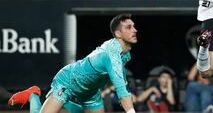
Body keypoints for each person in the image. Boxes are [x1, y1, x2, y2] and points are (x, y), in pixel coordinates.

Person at [9, 14, 138, 113]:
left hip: (91, 92)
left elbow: (121, 78)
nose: (135, 30)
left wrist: (126, 95)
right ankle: (33, 95)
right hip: (68, 82)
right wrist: (128, 104)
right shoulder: (112, 53)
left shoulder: (126, 54)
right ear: (118, 34)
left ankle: (66, 104)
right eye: (129, 27)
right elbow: (120, 88)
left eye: (133, 26)